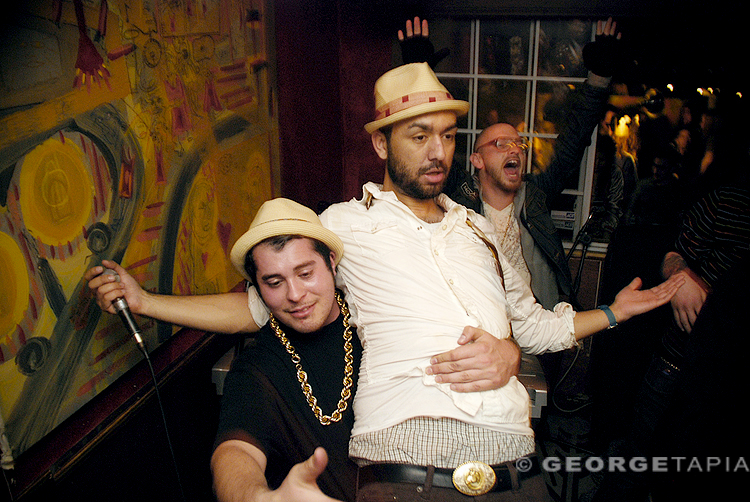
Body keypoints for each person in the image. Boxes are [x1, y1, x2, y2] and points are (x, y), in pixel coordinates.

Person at [312, 61, 683, 501]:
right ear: (380, 143)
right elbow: (271, 301)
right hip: (406, 468)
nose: (438, 153)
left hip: (516, 469)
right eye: (419, 136)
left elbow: (532, 326)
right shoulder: (341, 225)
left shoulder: (478, 231)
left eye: (448, 135)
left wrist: (613, 312)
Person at [85, 197, 520, 502]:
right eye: (274, 282)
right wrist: (257, 497)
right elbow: (235, 455)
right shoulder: (260, 366)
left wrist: (509, 352)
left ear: (333, 264)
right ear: (259, 288)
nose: (296, 294)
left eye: (306, 272)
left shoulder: (381, 317)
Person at [449, 18, 621, 311]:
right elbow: (429, 153)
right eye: (500, 144)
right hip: (481, 328)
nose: (514, 148)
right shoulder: (461, 198)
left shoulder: (536, 196)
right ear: (476, 159)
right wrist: (418, 71)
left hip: (540, 326)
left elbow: (573, 143)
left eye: (519, 143)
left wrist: (598, 80)